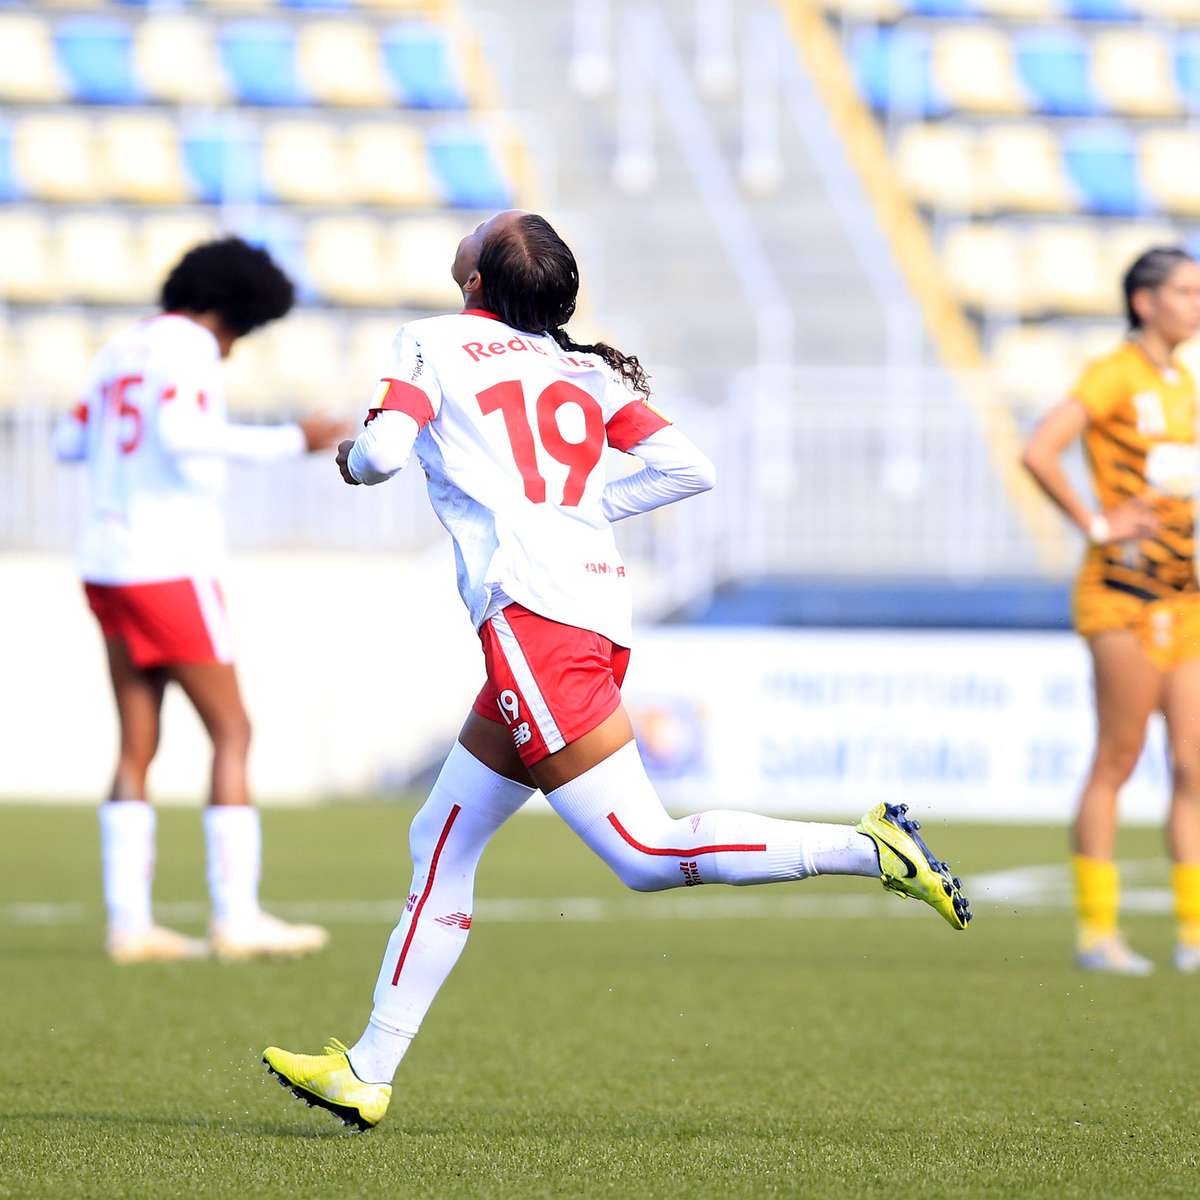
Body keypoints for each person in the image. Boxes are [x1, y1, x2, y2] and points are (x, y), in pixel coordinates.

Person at [261, 210, 971, 1131]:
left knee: (643, 852)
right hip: (589, 607)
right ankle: (367, 1068)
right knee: (441, 835)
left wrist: (356, 462)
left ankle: (868, 846)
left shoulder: (434, 341)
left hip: (534, 621)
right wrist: (577, 503)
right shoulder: (580, 368)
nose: (476, 224)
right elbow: (689, 467)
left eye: (486, 228)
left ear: (477, 278)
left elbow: (386, 454)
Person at [54, 237, 348, 964]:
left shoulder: (119, 348)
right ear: (226, 312)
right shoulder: (187, 347)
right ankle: (237, 916)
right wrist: (293, 441)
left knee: (136, 742)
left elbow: (67, 440)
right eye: (240, 331)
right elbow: (183, 436)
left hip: (106, 558)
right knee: (232, 730)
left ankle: (130, 924)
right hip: (170, 561)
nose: (235, 348)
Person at [1022, 246, 1200, 975]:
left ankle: (1194, 935)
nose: (1197, 303)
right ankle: (1098, 934)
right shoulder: (1114, 374)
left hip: (1186, 598)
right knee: (1118, 758)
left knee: (1193, 765)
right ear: (1144, 302)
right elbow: (1041, 449)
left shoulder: (1182, 381)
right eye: (1186, 291)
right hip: (1122, 595)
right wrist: (1096, 524)